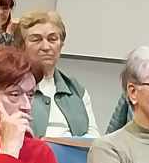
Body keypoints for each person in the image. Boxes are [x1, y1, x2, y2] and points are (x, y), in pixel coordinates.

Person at [15, 8, 99, 138]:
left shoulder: (76, 90)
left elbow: (94, 136)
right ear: (21, 46)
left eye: (52, 39)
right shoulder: (12, 88)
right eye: (36, 40)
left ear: (61, 45)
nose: (46, 47)